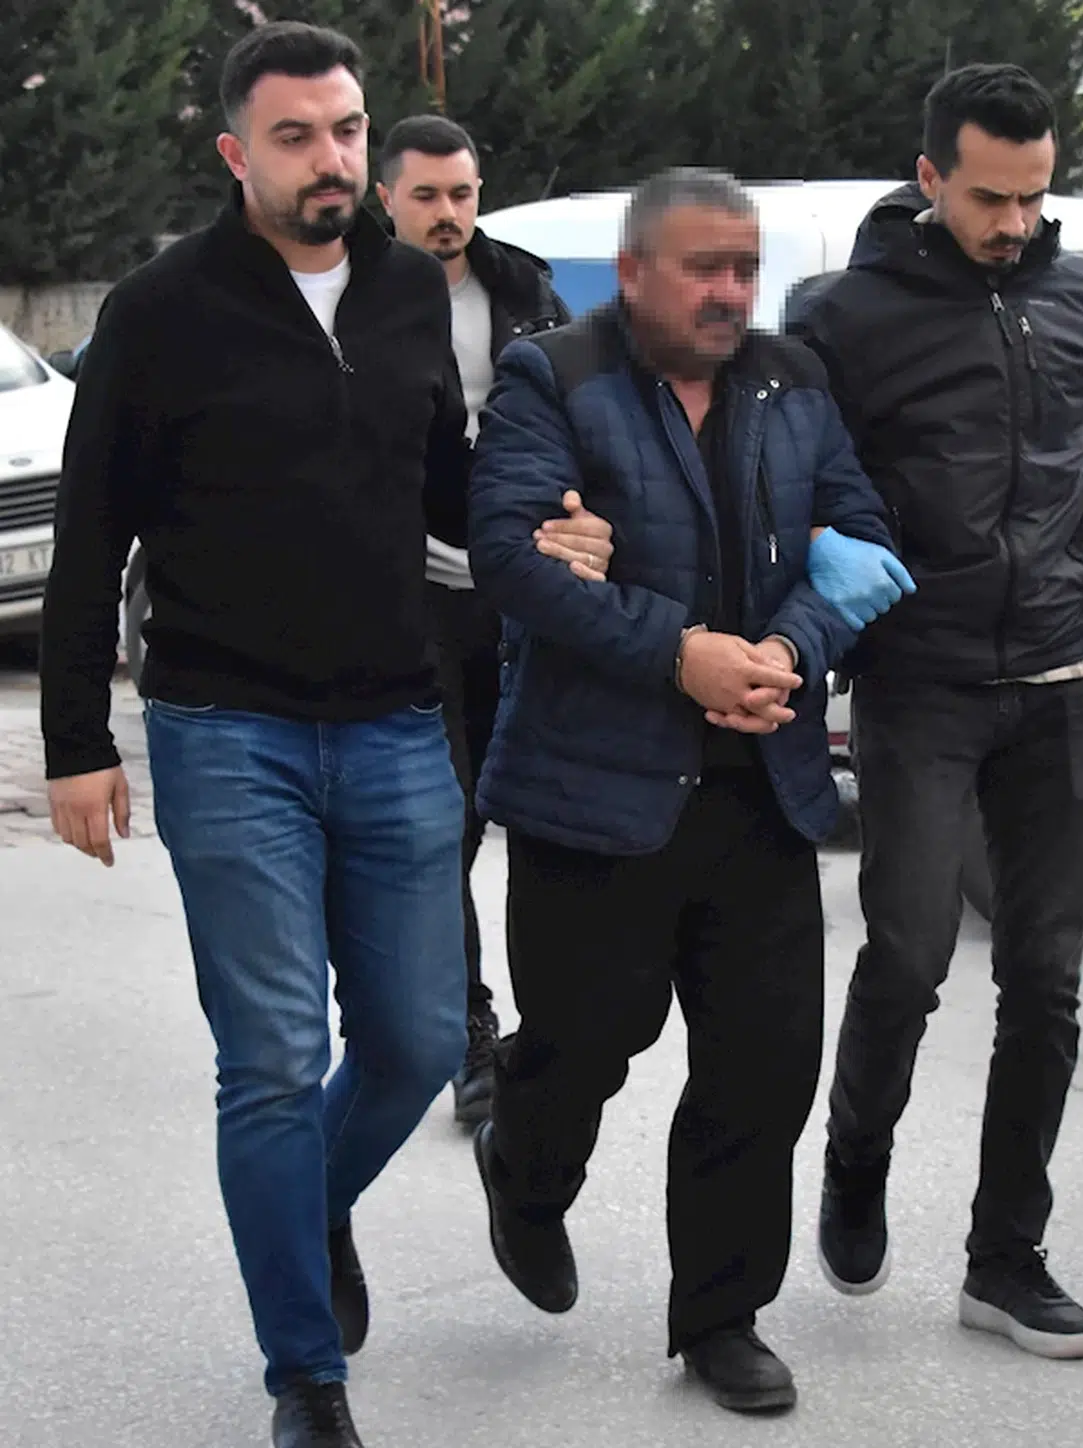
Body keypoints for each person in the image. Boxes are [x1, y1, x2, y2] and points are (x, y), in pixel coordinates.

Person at [37, 24, 587, 1448]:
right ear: (237, 153)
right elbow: (89, 534)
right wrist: (76, 740)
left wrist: (546, 526)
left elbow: (446, 487)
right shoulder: (162, 311)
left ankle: (306, 1208)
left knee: (414, 1041)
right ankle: (306, 1375)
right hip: (226, 729)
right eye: (296, 136)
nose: (331, 157)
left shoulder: (407, 293)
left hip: (398, 716)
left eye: (346, 129)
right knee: (274, 1059)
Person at [791, 63, 1083, 1362]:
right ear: (931, 178)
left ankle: (1005, 1257)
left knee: (1042, 982)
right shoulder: (844, 317)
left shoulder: (1076, 302)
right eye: (990, 197)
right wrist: (816, 553)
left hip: (1052, 685)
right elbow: (785, 482)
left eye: (1034, 197)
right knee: (909, 954)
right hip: (918, 683)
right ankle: (855, 1158)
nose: (1015, 222)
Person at [466, 167, 910, 1414]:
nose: (728, 291)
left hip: (761, 785)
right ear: (633, 270)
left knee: (761, 1068)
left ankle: (721, 1315)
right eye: (702, 267)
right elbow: (511, 554)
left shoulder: (793, 380)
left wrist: (784, 652)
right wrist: (679, 652)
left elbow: (862, 536)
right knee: (581, 1045)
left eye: (744, 269)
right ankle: (525, 1169)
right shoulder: (553, 376)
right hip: (592, 791)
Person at [376, 114, 590, 1125]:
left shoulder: (523, 291)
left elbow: (583, 414)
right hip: (407, 592)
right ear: (385, 197)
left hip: (520, 591)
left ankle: (541, 1034)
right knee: (446, 821)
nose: (447, 213)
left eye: (460, 193)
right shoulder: (356, 300)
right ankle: (467, 1029)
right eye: (425, 195)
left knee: (540, 814)